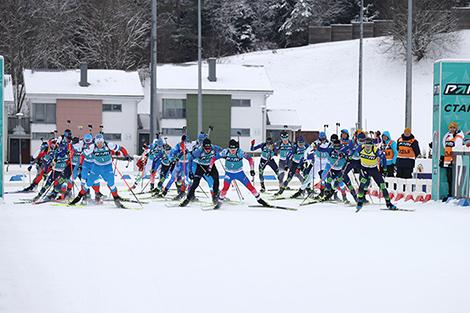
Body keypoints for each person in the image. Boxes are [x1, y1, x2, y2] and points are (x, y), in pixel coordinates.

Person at [69, 133, 133, 208]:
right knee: (88, 183)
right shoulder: (92, 147)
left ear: (103, 141)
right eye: (98, 143)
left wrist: (126, 155)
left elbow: (121, 148)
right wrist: (80, 164)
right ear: (95, 142)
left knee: (111, 183)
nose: (99, 144)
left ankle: (116, 199)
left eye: (101, 143)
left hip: (107, 167)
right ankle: (78, 198)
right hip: (96, 167)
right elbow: (83, 154)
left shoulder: (109, 145)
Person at [210, 139, 268, 209]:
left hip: (239, 173)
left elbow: (250, 159)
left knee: (250, 186)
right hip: (229, 174)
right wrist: (210, 168)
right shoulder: (225, 152)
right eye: (231, 149)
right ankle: (219, 203)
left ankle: (259, 199)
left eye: (234, 149)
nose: (232, 151)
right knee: (225, 188)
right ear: (229, 148)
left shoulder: (240, 152)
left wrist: (252, 169)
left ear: (236, 148)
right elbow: (213, 158)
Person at [356, 138, 397, 211]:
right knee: (362, 185)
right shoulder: (360, 147)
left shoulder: (375, 150)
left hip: (373, 169)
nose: (367, 147)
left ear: (372, 145)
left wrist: (384, 169)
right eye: (366, 145)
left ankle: (388, 203)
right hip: (364, 169)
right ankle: (359, 202)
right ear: (364, 144)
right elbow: (353, 152)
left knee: (382, 186)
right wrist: (349, 156)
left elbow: (383, 158)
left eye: (369, 145)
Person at [180, 138, 222, 206]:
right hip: (201, 166)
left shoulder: (214, 147)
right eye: (206, 148)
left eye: (209, 148)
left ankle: (215, 196)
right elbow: (190, 159)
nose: (208, 150)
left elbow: (223, 151)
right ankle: (187, 199)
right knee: (195, 183)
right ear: (203, 147)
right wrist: (190, 172)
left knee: (216, 179)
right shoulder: (199, 151)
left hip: (210, 165)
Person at [440, 121, 464, 201]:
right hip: (447, 160)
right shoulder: (447, 136)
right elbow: (445, 146)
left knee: (455, 178)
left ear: (456, 128)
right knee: (449, 179)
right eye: (451, 128)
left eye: (454, 127)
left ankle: (456, 194)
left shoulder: (458, 137)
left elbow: (457, 148)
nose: (452, 129)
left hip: (455, 161)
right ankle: (450, 194)